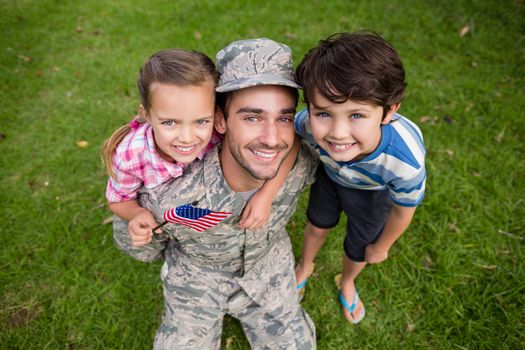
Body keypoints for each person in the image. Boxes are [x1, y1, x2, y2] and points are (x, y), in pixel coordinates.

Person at [112, 38, 318, 349]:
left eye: (284, 118)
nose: (272, 139)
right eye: (252, 117)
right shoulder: (166, 195)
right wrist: (141, 227)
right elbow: (138, 243)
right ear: (220, 120)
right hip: (197, 276)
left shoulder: (302, 161)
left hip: (268, 267)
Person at [101, 49, 297, 247]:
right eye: (169, 122)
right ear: (146, 115)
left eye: (201, 121)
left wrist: (266, 195)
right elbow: (119, 199)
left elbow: (289, 143)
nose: (187, 138)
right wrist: (137, 213)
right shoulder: (130, 155)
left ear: (216, 116)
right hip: (157, 208)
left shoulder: (219, 130)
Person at [293, 31, 426, 324]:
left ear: (388, 112)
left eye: (357, 115)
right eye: (324, 113)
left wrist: (382, 247)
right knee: (317, 223)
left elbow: (405, 210)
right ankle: (304, 266)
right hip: (330, 178)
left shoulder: (404, 162)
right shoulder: (304, 124)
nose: (338, 133)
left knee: (360, 246)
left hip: (372, 191)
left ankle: (348, 280)